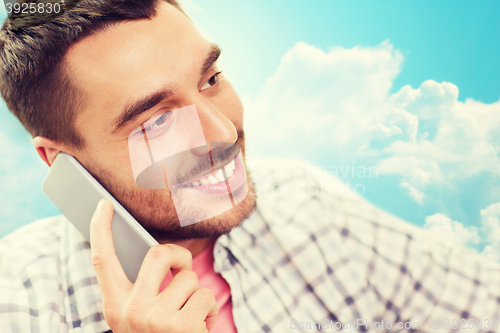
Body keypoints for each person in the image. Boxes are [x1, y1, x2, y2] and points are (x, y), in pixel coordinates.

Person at [0, 1, 498, 332]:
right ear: (62, 164)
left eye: (211, 78)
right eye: (155, 122)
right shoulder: (19, 298)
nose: (223, 133)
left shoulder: (304, 204)